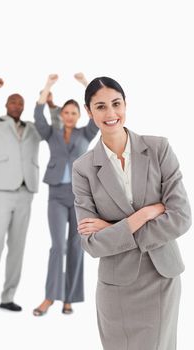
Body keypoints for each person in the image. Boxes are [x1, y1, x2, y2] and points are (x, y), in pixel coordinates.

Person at [72, 76, 192, 349]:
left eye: (116, 103)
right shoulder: (83, 168)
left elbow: (181, 218)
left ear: (126, 104)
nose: (111, 113)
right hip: (116, 287)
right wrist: (143, 215)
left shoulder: (159, 149)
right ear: (89, 112)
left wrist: (113, 228)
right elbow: (91, 243)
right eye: (100, 107)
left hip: (160, 276)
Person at [0, 78, 59, 315]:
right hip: (1, 191)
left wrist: (50, 104)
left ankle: (8, 297)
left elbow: (56, 128)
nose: (16, 105)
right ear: (7, 105)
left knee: (18, 246)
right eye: (12, 101)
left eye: (20, 102)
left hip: (26, 192)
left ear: (24, 106)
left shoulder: (33, 128)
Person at [33, 73, 99, 316]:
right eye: (66, 112)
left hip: (80, 197)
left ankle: (69, 298)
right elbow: (38, 115)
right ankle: (50, 296)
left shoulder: (87, 134)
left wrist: (85, 83)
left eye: (74, 113)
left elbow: (97, 112)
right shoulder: (51, 133)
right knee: (57, 245)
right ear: (61, 114)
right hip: (56, 195)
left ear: (79, 115)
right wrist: (48, 85)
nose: (70, 116)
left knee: (75, 246)